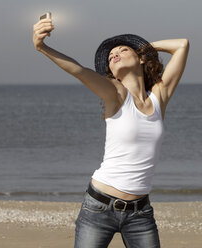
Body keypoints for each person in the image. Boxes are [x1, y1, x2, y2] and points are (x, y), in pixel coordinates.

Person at [32, 17, 189, 248]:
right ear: (112, 73)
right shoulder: (115, 93)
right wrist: (41, 46)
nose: (114, 54)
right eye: (110, 56)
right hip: (99, 208)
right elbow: (79, 71)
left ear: (141, 58)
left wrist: (144, 48)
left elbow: (182, 45)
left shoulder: (159, 98)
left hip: (140, 213)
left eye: (123, 49)